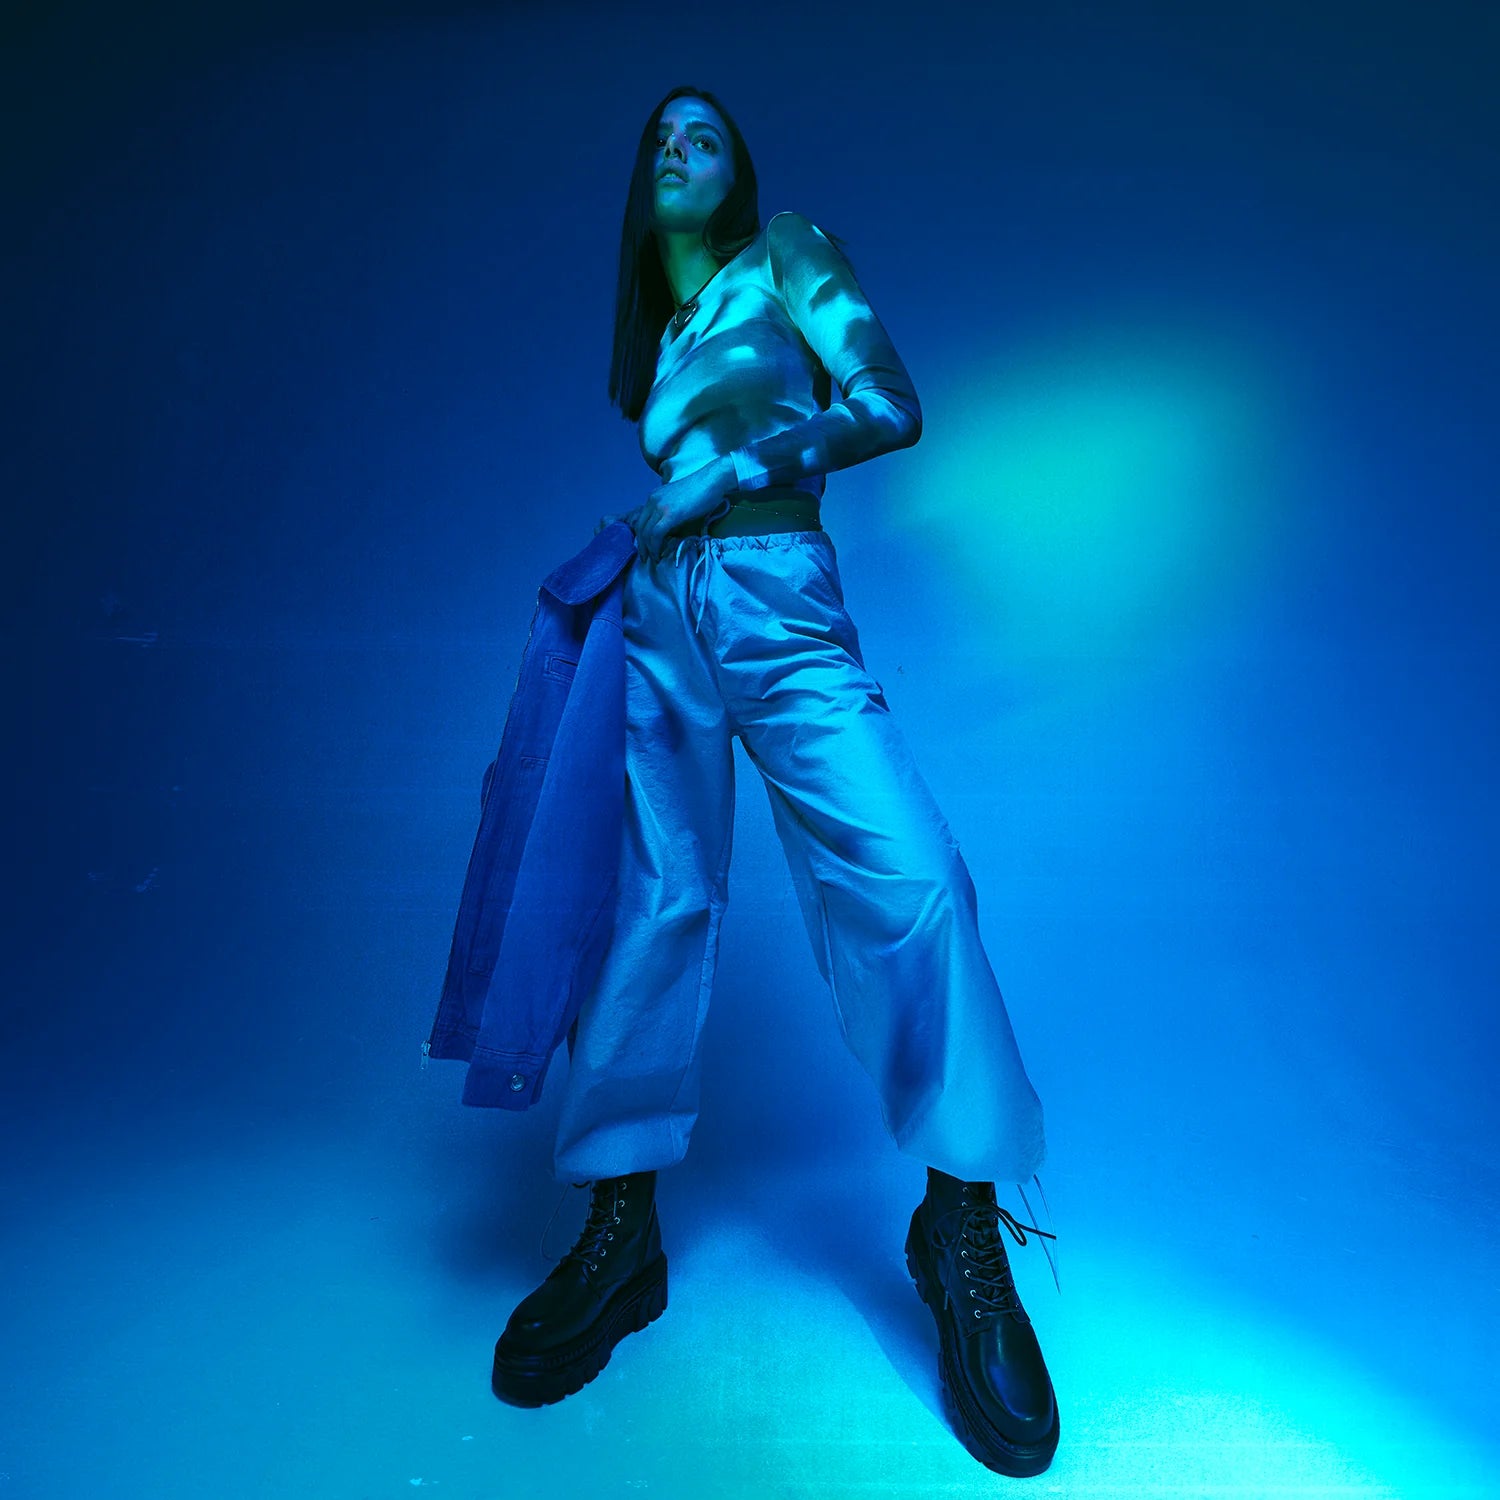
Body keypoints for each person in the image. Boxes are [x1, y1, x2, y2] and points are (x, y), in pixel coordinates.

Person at [489, 84, 1060, 1479]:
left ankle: (961, 1226)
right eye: (659, 139)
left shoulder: (787, 251)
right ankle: (621, 1227)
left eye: (705, 136)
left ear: (740, 172)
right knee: (650, 907)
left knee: (915, 882)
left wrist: (723, 475)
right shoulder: (662, 330)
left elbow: (889, 405)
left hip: (775, 593)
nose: (679, 150)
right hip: (657, 616)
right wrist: (662, 526)